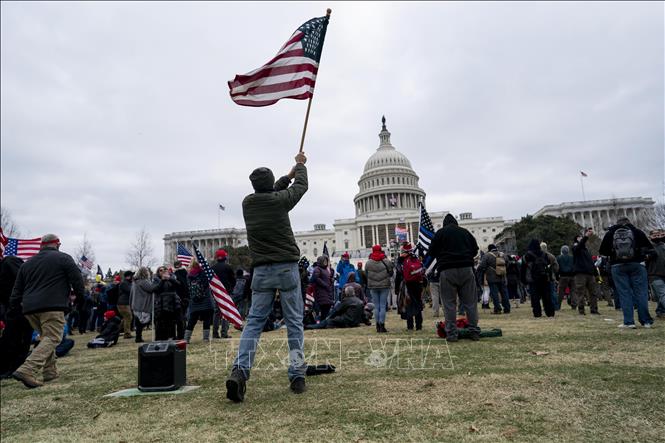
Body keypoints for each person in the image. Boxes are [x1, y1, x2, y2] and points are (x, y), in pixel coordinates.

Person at [226, 151, 309, 403]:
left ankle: (240, 371)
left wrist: (287, 176)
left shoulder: (248, 203)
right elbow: (302, 187)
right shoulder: (279, 202)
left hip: (260, 271)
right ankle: (296, 374)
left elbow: (272, 191)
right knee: (293, 322)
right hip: (286, 268)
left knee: (253, 324)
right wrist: (300, 166)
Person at [9, 234, 85, 388]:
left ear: (41, 246)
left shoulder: (27, 263)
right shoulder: (63, 258)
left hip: (30, 309)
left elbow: (16, 290)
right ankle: (28, 369)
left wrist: (14, 307)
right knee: (53, 337)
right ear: (57, 244)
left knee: (46, 338)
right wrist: (80, 298)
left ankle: (50, 372)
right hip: (52, 306)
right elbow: (77, 279)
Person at [424, 214, 480, 342]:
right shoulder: (465, 232)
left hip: (447, 269)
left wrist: (442, 257)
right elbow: (475, 250)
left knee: (449, 303)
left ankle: (452, 333)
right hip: (466, 269)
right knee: (470, 302)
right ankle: (474, 331)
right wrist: (466, 257)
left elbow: (431, 252)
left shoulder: (440, 233)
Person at [599, 217, 655, 328]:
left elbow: (603, 251)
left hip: (617, 265)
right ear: (629, 223)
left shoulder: (610, 233)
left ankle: (629, 322)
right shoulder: (637, 232)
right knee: (641, 293)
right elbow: (650, 249)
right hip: (637, 264)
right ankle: (646, 321)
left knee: (624, 294)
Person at [0, 255, 33, 379]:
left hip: (21, 307)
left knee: (19, 339)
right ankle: (7, 367)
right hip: (9, 308)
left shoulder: (10, 262)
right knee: (9, 339)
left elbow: (25, 279)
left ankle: (16, 368)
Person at [305, 286, 371, 329]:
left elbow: (337, 311)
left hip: (347, 321)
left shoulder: (346, 301)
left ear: (346, 293)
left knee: (328, 321)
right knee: (331, 320)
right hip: (355, 322)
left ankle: (309, 327)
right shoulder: (360, 301)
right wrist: (367, 322)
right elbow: (363, 315)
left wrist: (329, 317)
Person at [522, 239, 555, 318]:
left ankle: (537, 313)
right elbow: (549, 267)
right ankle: (550, 312)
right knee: (547, 296)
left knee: (535, 297)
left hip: (533, 279)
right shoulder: (544, 254)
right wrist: (550, 277)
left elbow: (523, 269)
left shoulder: (527, 255)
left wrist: (523, 280)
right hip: (544, 278)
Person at [365, 245, 394, 333]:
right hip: (384, 285)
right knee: (382, 306)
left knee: (376, 307)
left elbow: (366, 273)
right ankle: (382, 325)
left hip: (373, 286)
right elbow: (391, 273)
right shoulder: (386, 261)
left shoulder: (368, 262)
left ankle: (377, 325)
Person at [573, 228, 602, 315]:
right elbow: (579, 246)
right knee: (581, 292)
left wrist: (596, 275)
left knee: (593, 293)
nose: (581, 238)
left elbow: (591, 263)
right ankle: (581, 310)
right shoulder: (575, 248)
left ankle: (594, 309)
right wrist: (585, 236)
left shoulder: (586, 250)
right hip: (580, 274)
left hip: (590, 274)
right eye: (579, 237)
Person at [184, 260, 214, 343]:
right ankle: (206, 338)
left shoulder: (189, 276)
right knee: (207, 320)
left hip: (194, 301)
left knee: (192, 320)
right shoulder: (204, 274)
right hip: (206, 300)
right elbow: (207, 284)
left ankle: (186, 339)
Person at [477, 244, 510, 315]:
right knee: (504, 293)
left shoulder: (487, 255)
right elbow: (507, 263)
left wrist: (483, 270)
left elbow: (482, 265)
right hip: (502, 277)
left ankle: (497, 309)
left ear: (489, 249)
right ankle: (507, 308)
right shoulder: (503, 254)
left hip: (492, 278)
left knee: (494, 294)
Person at [212, 249, 236, 339]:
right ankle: (224, 333)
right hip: (226, 292)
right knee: (226, 312)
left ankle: (215, 333)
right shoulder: (228, 267)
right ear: (225, 257)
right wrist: (230, 288)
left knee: (217, 313)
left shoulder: (213, 268)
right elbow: (233, 280)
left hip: (216, 292)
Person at [153, 266, 181, 341]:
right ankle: (161, 338)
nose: (163, 271)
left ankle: (172, 337)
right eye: (160, 270)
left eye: (165, 269)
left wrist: (170, 279)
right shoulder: (156, 279)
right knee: (161, 322)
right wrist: (162, 280)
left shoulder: (172, 277)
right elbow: (155, 289)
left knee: (172, 321)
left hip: (173, 302)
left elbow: (178, 285)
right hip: (161, 303)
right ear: (158, 272)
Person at [401, 243, 424, 331]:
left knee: (409, 304)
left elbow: (402, 273)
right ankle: (419, 325)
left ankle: (410, 326)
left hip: (409, 284)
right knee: (418, 303)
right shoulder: (416, 258)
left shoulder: (404, 260)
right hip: (418, 283)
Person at [129, 267, 153, 343]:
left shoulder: (135, 282)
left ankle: (138, 337)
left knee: (138, 322)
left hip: (135, 304)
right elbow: (151, 289)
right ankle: (138, 337)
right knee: (144, 321)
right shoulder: (143, 282)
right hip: (142, 305)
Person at [646, 230, 665, 319]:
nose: (657, 237)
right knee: (662, 294)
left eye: (658, 235)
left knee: (659, 296)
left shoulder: (664, 246)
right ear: (650, 237)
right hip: (654, 274)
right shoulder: (647, 247)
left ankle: (660, 311)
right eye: (654, 235)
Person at [312, 255, 334, 320]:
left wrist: (331, 280)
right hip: (321, 291)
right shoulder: (317, 269)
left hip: (327, 291)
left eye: (326, 261)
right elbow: (316, 278)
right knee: (324, 306)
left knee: (328, 305)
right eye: (324, 261)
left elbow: (327, 278)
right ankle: (322, 320)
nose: (325, 262)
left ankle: (324, 320)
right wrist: (324, 284)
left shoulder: (326, 269)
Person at [540, 243, 560, 310]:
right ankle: (556, 306)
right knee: (553, 292)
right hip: (551, 276)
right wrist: (553, 272)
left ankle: (546, 306)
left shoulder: (538, 256)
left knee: (544, 293)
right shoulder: (551, 256)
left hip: (541, 277)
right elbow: (556, 267)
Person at [173, 260, 190, 340]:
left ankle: (181, 334)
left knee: (180, 317)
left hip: (179, 297)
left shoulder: (176, 275)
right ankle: (183, 333)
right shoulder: (186, 273)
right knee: (183, 316)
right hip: (186, 297)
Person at [117, 271, 134, 339]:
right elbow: (130, 291)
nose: (133, 277)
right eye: (132, 276)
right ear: (128, 276)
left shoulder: (127, 283)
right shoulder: (124, 283)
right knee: (128, 317)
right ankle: (127, 334)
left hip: (124, 303)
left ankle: (116, 330)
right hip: (123, 303)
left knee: (126, 318)